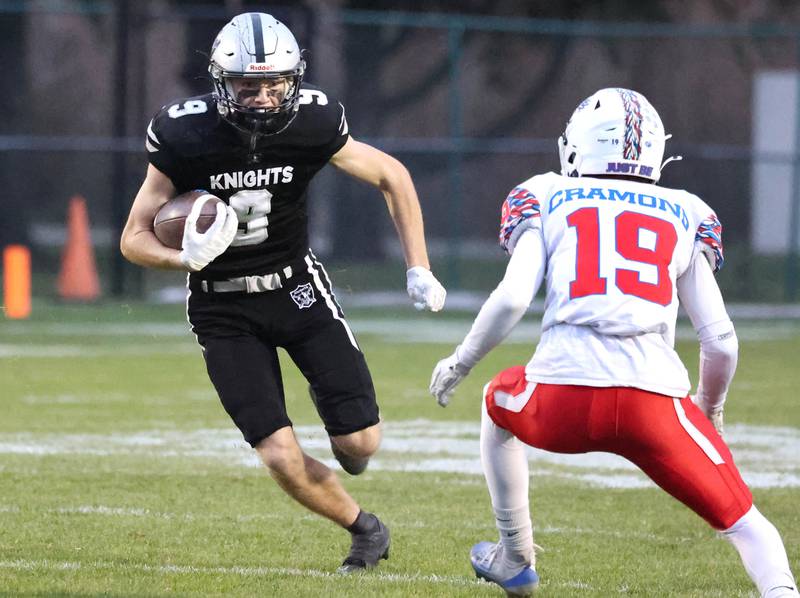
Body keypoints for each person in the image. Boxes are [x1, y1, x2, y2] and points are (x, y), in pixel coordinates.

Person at [429, 88, 798, 597]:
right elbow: (721, 341)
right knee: (747, 525)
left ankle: (515, 554)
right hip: (656, 407)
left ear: (577, 145)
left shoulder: (547, 192)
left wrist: (462, 360)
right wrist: (708, 412)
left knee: (497, 404)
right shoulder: (685, 211)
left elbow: (513, 297)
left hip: (560, 399)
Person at [120, 12, 446, 573]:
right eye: (250, 85)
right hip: (222, 305)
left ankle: (343, 429)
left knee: (361, 444)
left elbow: (392, 174)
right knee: (278, 453)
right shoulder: (184, 134)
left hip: (297, 289)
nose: (265, 97)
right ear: (223, 83)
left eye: (275, 84)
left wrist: (419, 265)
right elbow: (132, 239)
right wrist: (181, 258)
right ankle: (364, 529)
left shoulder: (315, 120)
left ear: (294, 78)